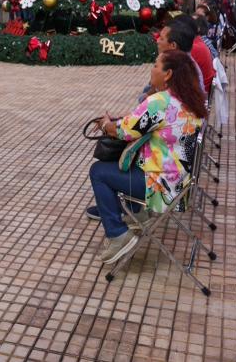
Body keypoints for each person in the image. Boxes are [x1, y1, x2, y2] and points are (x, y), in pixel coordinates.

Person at [87, 49, 206, 264]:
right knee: (124, 164)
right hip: (181, 183)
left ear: (168, 74)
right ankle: (136, 213)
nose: (151, 69)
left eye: (155, 65)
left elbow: (123, 131)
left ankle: (118, 234)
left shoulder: (159, 102)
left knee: (99, 171)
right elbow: (139, 123)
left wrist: (105, 124)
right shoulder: (190, 98)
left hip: (161, 188)